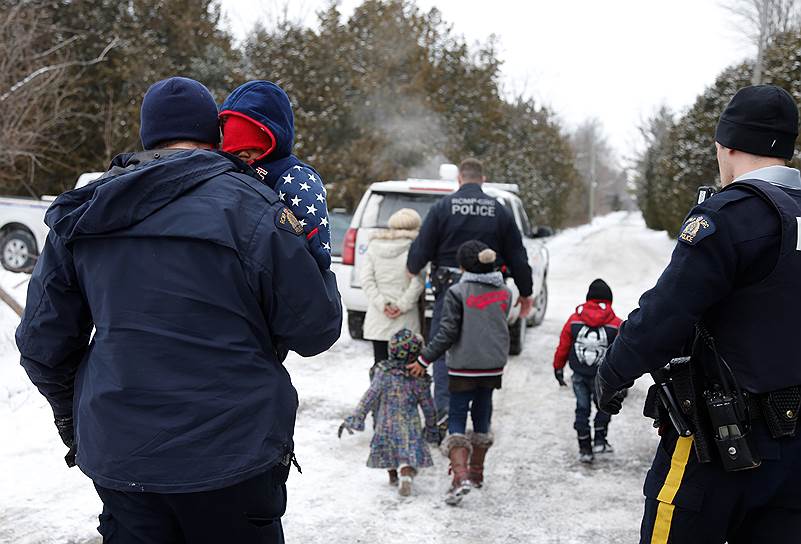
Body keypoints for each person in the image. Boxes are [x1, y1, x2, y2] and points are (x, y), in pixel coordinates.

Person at [16, 77, 342, 543]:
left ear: (148, 136)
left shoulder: (86, 213)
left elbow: (42, 344)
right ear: (214, 135)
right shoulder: (256, 206)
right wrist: (315, 253)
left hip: (124, 458)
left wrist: (76, 419)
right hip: (236, 456)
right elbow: (315, 329)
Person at [595, 84, 801, 544]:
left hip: (720, 446)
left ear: (725, 145)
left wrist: (612, 374)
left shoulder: (729, 216)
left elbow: (663, 318)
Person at [406, 158, 532, 427]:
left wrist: (412, 266)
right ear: (483, 180)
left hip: (448, 285)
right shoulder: (499, 211)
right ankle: (480, 416)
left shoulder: (442, 207)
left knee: (444, 340)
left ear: (460, 179)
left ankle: (445, 410)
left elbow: (423, 245)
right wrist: (526, 291)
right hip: (488, 292)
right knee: (483, 341)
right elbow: (517, 254)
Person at [409, 240, 512, 506]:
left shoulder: (457, 292)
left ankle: (460, 476)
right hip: (492, 365)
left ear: (463, 265)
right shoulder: (504, 292)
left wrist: (424, 358)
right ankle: (477, 473)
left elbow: (447, 333)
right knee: (482, 411)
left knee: (456, 416)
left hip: (463, 366)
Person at [219, 80, 332, 270]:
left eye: (253, 149)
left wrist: (318, 252)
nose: (245, 157)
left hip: (286, 267)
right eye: (236, 153)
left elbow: (313, 219)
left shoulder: (292, 176)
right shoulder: (224, 174)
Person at [338, 328, 438, 497]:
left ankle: (393, 476)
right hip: (410, 425)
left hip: (385, 424)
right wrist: (432, 427)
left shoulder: (383, 373)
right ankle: (406, 474)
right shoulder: (418, 377)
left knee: (388, 453)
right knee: (408, 454)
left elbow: (369, 396)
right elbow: (428, 406)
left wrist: (357, 417)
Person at [553, 279, 622, 463]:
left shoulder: (574, 320)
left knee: (582, 409)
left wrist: (558, 367)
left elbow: (564, 345)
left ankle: (585, 449)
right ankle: (600, 440)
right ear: (609, 301)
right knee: (605, 406)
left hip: (580, 375)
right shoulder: (616, 324)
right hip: (604, 378)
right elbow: (624, 352)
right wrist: (623, 378)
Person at [361, 208, 425, 363]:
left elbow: (367, 280)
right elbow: (418, 282)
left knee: (380, 364)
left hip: (378, 316)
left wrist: (383, 305)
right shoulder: (416, 248)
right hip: (406, 318)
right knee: (407, 368)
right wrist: (401, 306)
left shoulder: (374, 246)